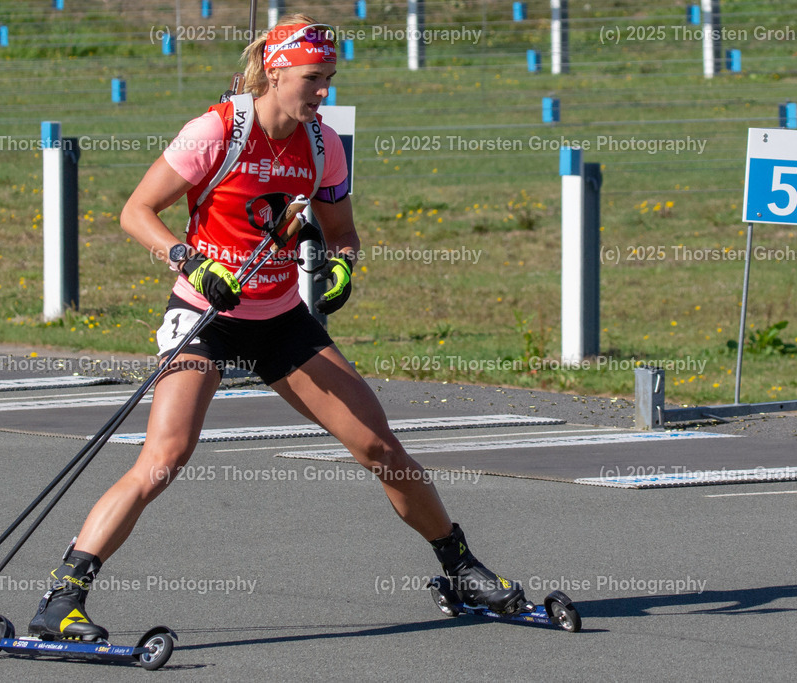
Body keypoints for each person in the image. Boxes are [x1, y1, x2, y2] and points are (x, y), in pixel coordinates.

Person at [29, 15, 526, 642]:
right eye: (313, 79)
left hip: (280, 319)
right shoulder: (218, 130)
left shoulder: (323, 144)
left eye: (331, 79)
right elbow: (136, 212)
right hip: (206, 315)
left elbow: (342, 233)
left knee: (379, 448)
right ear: (274, 70)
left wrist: (342, 267)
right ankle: (61, 598)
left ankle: (459, 570)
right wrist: (189, 260)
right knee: (163, 459)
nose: (324, 93)